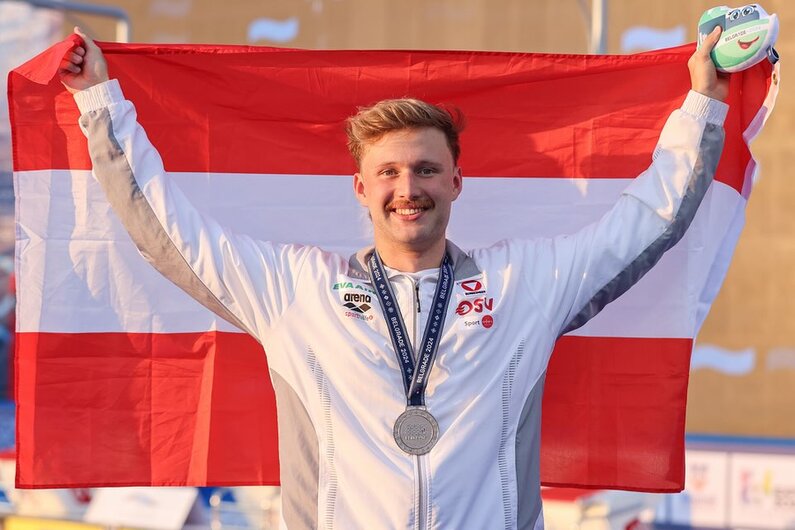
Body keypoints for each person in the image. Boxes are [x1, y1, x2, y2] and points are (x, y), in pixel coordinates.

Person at [59, 26, 728, 530]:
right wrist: (99, 103)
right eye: (388, 172)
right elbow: (169, 230)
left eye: (426, 170)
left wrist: (702, 102)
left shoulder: (525, 283)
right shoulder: (296, 291)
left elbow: (648, 220)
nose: (408, 189)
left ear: (458, 181)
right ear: (359, 187)